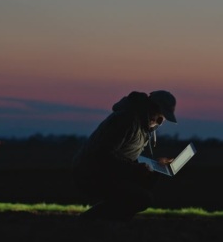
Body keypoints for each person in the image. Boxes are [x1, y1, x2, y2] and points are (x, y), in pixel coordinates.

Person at [71, 90, 178, 221]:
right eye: (161, 118)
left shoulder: (141, 125)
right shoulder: (126, 120)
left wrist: (155, 164)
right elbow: (102, 154)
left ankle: (105, 224)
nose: (160, 122)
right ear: (152, 109)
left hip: (106, 171)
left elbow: (123, 156)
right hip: (90, 172)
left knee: (148, 182)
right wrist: (135, 169)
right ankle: (85, 224)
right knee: (141, 198)